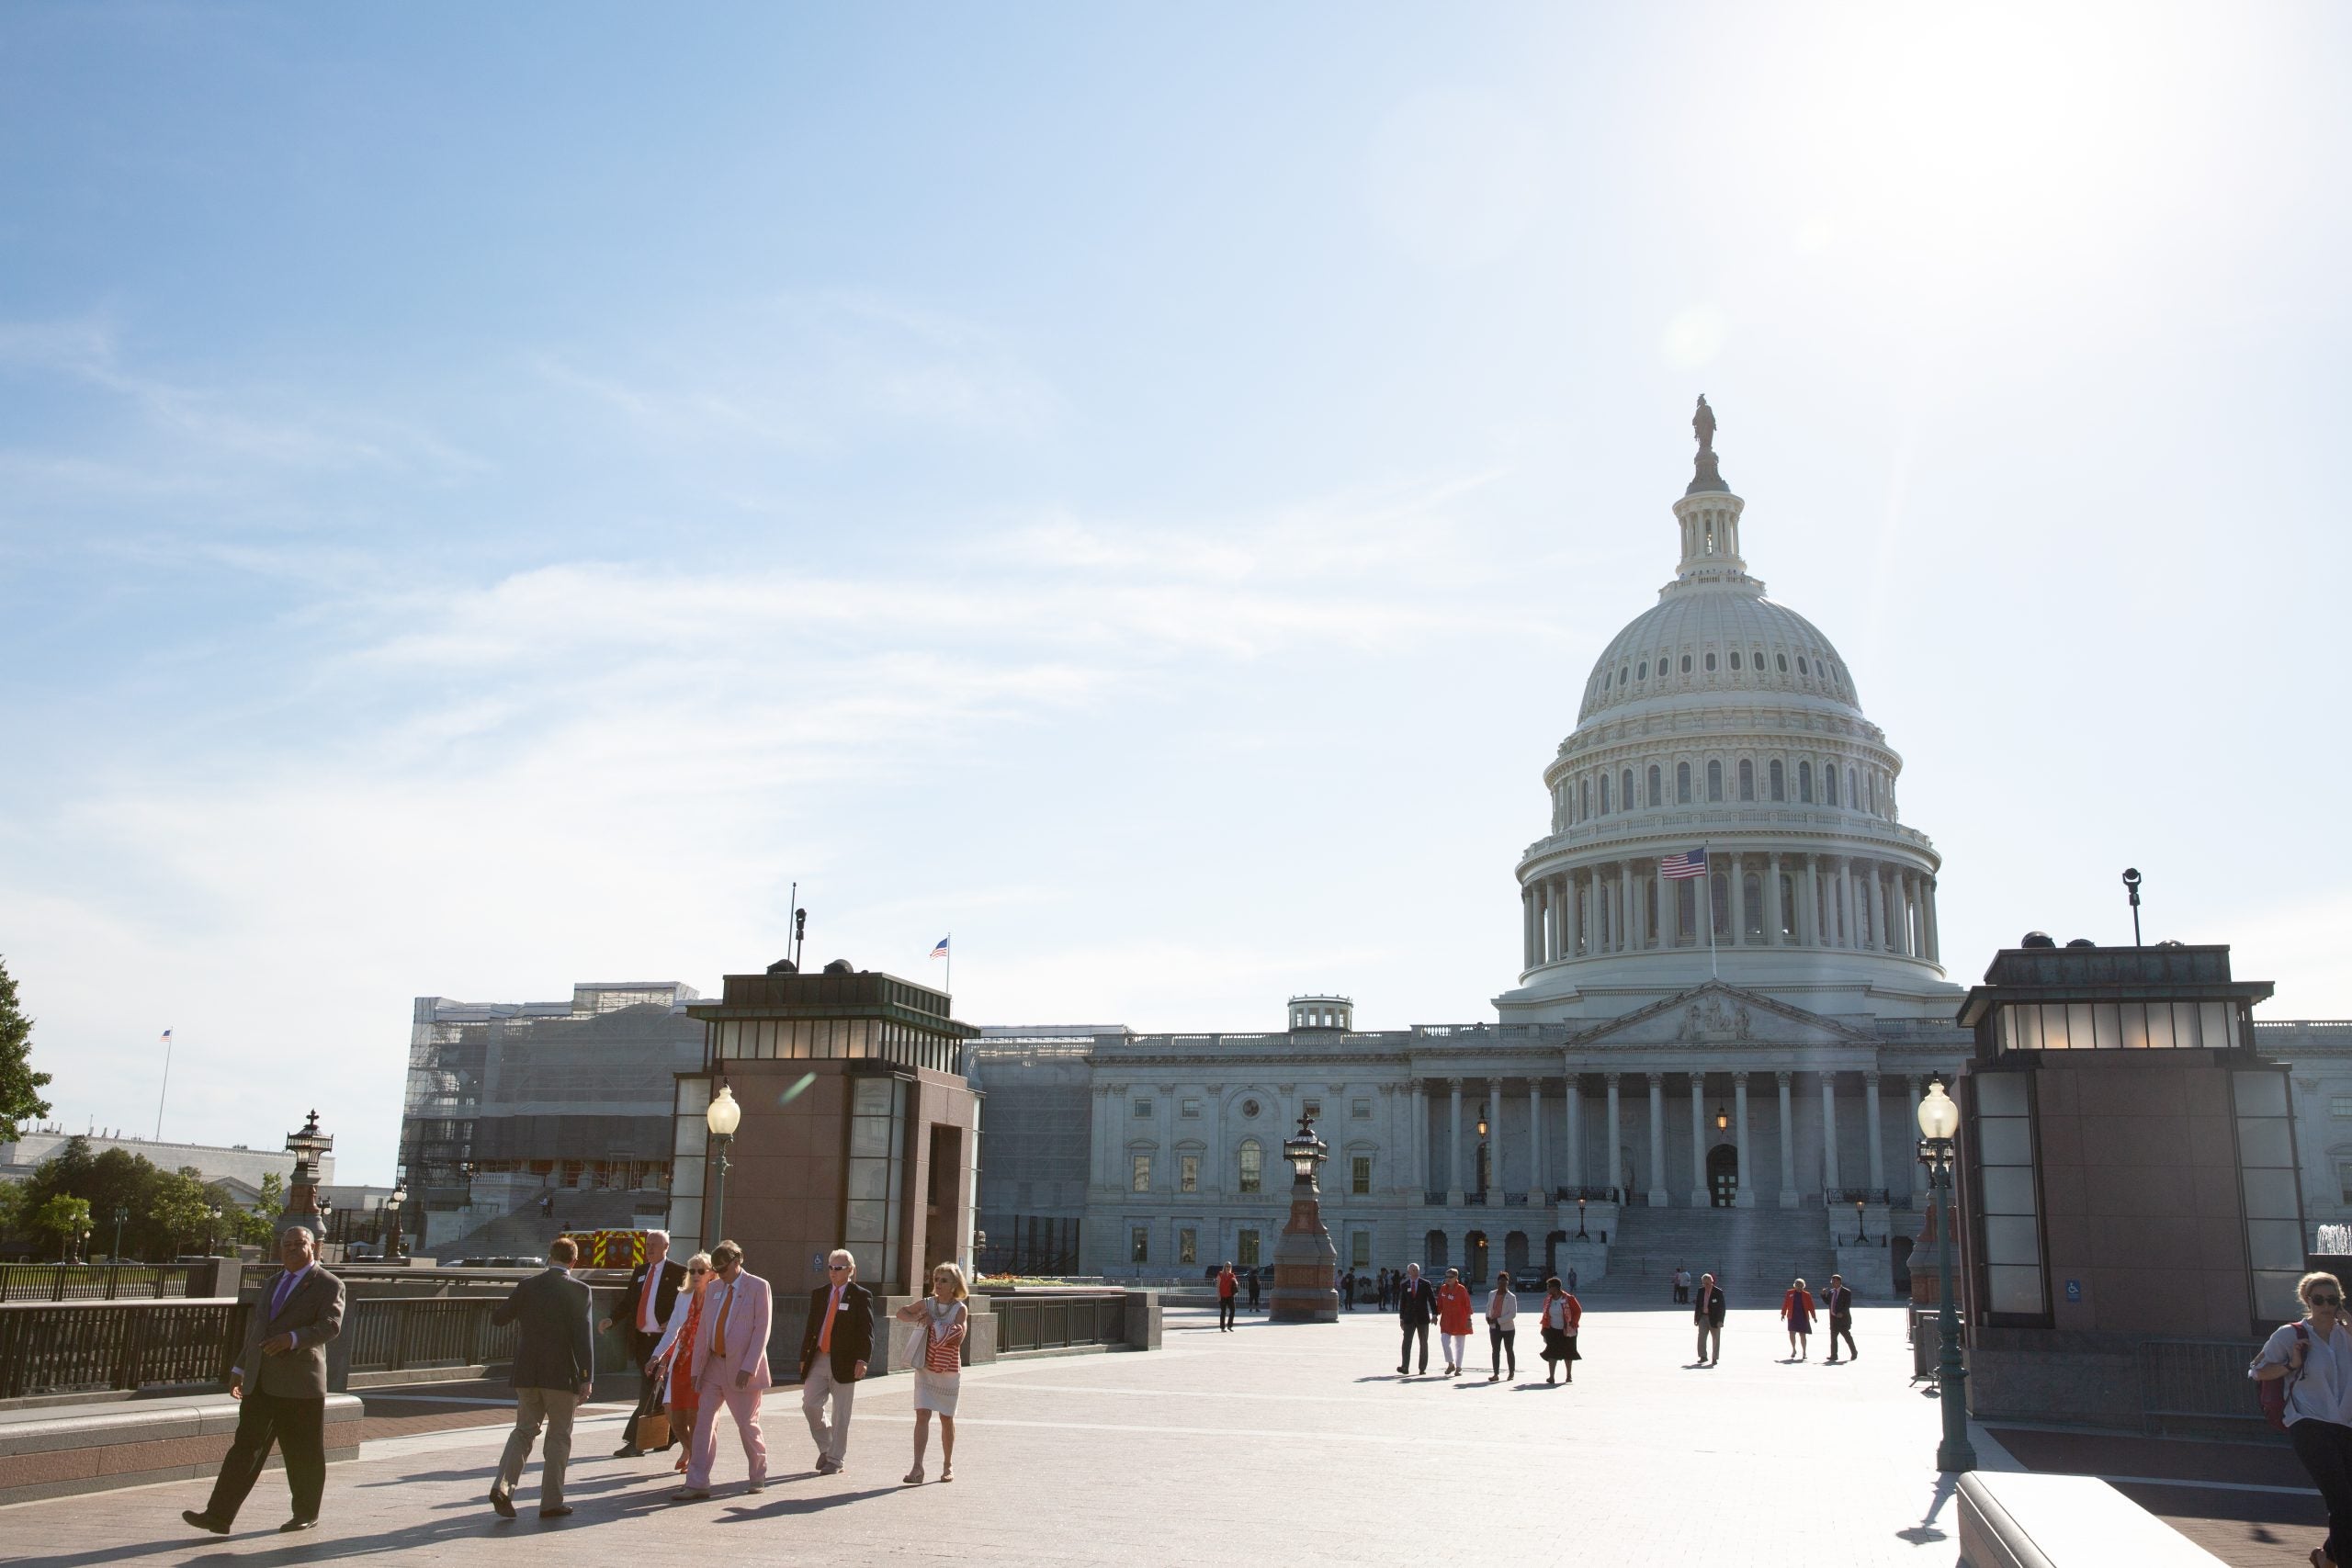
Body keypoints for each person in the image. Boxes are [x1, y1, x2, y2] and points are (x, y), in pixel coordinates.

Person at [181, 1226, 345, 1537]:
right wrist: (241, 1368)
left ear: (313, 1247)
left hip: (300, 1384)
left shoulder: (328, 1284)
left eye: (299, 1244)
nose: (292, 1249)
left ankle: (306, 1514)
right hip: (260, 1381)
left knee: (303, 1452)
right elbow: (259, 1330)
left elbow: (330, 1325)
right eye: (287, 1245)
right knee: (244, 1449)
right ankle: (218, 1516)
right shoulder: (272, 1282)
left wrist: (293, 1338)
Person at [487, 1235, 594, 1519]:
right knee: (558, 1437)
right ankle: (551, 1502)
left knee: (523, 1431)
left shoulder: (527, 1286)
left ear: (549, 1257)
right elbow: (583, 1338)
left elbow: (499, 1318)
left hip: (527, 1371)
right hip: (561, 1374)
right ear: (574, 1261)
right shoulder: (580, 1290)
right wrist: (586, 1377)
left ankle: (503, 1486)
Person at [2251, 1270, 2352, 1568]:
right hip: (2308, 1424)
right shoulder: (2290, 1334)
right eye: (2319, 1299)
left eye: (2332, 1299)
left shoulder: (2346, 1334)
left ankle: (2327, 1557)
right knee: (2341, 1501)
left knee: (2347, 1503)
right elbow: (2257, 1370)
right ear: (2307, 1300)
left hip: (2345, 1424)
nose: (2326, 1305)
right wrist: (2290, 1364)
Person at [673, 1238, 771, 1501]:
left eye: (723, 1269)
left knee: (747, 1424)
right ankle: (697, 1482)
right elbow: (705, 1329)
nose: (720, 1274)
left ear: (737, 1262)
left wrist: (749, 1366)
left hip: (741, 1368)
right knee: (703, 1423)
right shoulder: (714, 1287)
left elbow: (762, 1330)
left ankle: (757, 1475)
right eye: (715, 1269)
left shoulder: (758, 1287)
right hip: (713, 1366)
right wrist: (696, 1369)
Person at [605, 1229, 687, 1458]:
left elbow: (686, 1304)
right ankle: (670, 1436)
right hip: (641, 1341)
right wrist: (611, 1319)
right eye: (648, 1244)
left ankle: (635, 1442)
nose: (649, 1248)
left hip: (664, 1342)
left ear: (666, 1248)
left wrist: (672, 1321)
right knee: (655, 1391)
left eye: (655, 1244)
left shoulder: (679, 1272)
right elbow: (628, 1302)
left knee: (649, 1391)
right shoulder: (640, 1272)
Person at [798, 1247, 874, 1475]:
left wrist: (862, 1359)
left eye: (838, 1268)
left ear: (850, 1270)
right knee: (810, 1404)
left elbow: (867, 1331)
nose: (833, 1272)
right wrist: (804, 1357)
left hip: (845, 1361)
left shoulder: (860, 1295)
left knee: (841, 1414)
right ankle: (826, 1445)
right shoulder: (820, 1293)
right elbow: (811, 1326)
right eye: (830, 1267)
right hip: (819, 1357)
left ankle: (836, 1459)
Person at [895, 1262, 968, 1484]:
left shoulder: (959, 1309)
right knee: (922, 1414)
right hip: (926, 1366)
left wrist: (933, 1323)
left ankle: (948, 1464)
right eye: (936, 1279)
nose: (938, 1283)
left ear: (954, 1284)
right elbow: (901, 1312)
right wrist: (916, 1317)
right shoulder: (927, 1303)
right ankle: (917, 1467)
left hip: (947, 1370)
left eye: (944, 1280)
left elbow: (958, 1337)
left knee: (946, 1417)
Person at [647, 1251, 716, 1474]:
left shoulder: (718, 1296)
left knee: (696, 1417)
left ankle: (696, 1464)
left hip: (704, 1364)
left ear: (711, 1274)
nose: (696, 1275)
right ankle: (690, 1450)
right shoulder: (684, 1296)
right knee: (675, 1416)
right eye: (692, 1270)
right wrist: (657, 1356)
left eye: (701, 1271)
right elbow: (672, 1331)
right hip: (681, 1360)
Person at [1396, 1262, 1437, 1376]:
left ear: (1419, 1271)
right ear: (1409, 1272)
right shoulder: (1404, 1285)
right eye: (1412, 1270)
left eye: (1416, 1270)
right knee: (1406, 1342)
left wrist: (1434, 1314)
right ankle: (1405, 1366)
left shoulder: (1425, 1284)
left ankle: (1422, 1367)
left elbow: (1432, 1300)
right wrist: (1401, 1318)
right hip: (1408, 1318)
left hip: (1423, 1318)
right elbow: (1402, 1303)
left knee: (1423, 1343)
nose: (1414, 1272)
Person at [1538, 1277, 1582, 1384]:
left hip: (1567, 1330)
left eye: (1549, 1287)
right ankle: (1551, 1376)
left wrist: (1574, 1322)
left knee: (1568, 1352)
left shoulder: (1569, 1298)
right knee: (1551, 1352)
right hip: (1552, 1330)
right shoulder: (1548, 1300)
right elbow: (1545, 1314)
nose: (1548, 1289)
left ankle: (1568, 1375)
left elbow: (1578, 1310)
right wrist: (1544, 1328)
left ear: (1555, 1288)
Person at [1436, 1267, 1474, 1378]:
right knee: (1444, 1340)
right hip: (1446, 1321)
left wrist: (1469, 1319)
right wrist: (1435, 1315)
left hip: (1460, 1321)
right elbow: (1439, 1305)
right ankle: (1450, 1363)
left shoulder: (1461, 1289)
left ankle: (1459, 1367)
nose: (1448, 1279)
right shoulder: (1443, 1289)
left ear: (1456, 1277)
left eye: (1450, 1277)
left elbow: (1467, 1305)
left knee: (1459, 1345)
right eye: (1446, 1277)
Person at [1486, 1270, 1519, 1382]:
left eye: (1505, 1281)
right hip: (1494, 1327)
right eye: (1500, 1281)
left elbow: (1512, 1314)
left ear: (1508, 1283)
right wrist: (1487, 1317)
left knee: (1509, 1350)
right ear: (1497, 1282)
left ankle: (1511, 1372)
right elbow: (1488, 1307)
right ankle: (1495, 1373)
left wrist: (1499, 1320)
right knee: (1495, 1350)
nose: (1502, 1284)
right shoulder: (1491, 1294)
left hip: (1508, 1328)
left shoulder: (1511, 1297)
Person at [1823, 1273, 1858, 1364]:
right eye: (1832, 1281)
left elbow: (1847, 1305)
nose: (1832, 1283)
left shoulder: (1846, 1292)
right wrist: (1823, 1295)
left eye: (1834, 1281)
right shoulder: (1831, 1292)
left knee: (1847, 1337)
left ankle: (1854, 1352)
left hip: (1843, 1319)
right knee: (1833, 1338)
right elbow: (1828, 1302)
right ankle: (1834, 1355)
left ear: (1839, 1281)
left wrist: (1842, 1313)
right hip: (1833, 1319)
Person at [1693, 1272, 1726, 1366]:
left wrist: (1721, 1320)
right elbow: (1698, 1306)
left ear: (1712, 1282)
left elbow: (1722, 1308)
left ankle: (1714, 1358)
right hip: (1702, 1317)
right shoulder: (1700, 1291)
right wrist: (1696, 1318)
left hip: (1715, 1319)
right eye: (1703, 1283)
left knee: (1716, 1339)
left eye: (1707, 1283)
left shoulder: (1718, 1292)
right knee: (1701, 1337)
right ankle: (1703, 1356)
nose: (1705, 1285)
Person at [1781, 1277, 1816, 1360]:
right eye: (1797, 1285)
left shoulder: (1807, 1295)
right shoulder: (1789, 1293)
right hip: (1792, 1316)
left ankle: (1804, 1352)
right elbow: (1785, 1303)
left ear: (1803, 1286)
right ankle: (1794, 1349)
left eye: (1800, 1285)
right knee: (1791, 1333)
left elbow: (1811, 1306)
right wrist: (1783, 1313)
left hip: (1803, 1316)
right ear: (1794, 1285)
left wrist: (1814, 1316)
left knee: (1802, 1334)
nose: (1799, 1286)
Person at [1216, 1261, 1238, 1332]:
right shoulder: (1220, 1274)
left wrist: (1235, 1281)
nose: (1228, 1268)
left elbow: (1237, 1284)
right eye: (1227, 1266)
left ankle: (1229, 1326)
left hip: (1230, 1296)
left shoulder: (1232, 1275)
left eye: (1229, 1266)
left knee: (1233, 1310)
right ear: (1224, 1267)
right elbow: (1218, 1286)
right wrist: (1218, 1295)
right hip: (1222, 1296)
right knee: (1223, 1311)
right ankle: (1222, 1327)